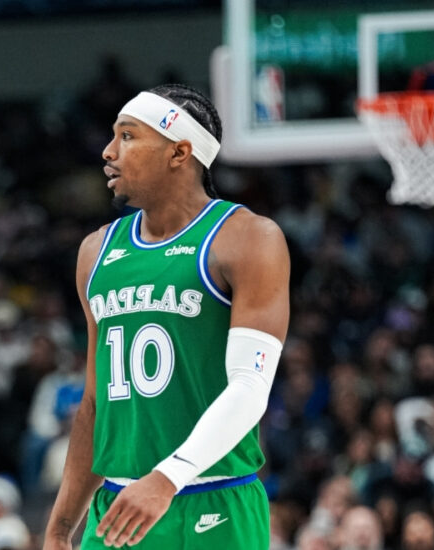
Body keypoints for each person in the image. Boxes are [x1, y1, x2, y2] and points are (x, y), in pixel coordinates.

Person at [44, 84, 290, 549]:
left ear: (179, 152)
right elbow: (95, 403)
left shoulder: (248, 238)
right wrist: (59, 529)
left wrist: (167, 478)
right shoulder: (96, 251)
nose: (108, 151)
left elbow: (250, 387)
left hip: (213, 502)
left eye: (128, 136)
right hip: (116, 506)